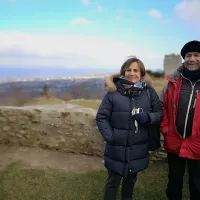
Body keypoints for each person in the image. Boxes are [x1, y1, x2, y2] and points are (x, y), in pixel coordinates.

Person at [96, 56, 163, 200]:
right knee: (112, 181)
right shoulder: (113, 93)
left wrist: (148, 117)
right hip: (116, 147)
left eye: (136, 70)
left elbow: (159, 113)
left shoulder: (149, 92)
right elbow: (101, 117)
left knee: (130, 181)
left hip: (137, 147)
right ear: (123, 72)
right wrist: (111, 136)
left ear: (141, 73)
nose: (132, 73)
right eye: (128, 70)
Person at [160, 40, 200, 200]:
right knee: (174, 181)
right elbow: (161, 106)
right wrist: (166, 129)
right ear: (184, 58)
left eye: (197, 55)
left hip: (198, 144)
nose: (192, 59)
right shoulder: (173, 82)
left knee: (197, 183)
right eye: (188, 55)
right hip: (174, 141)